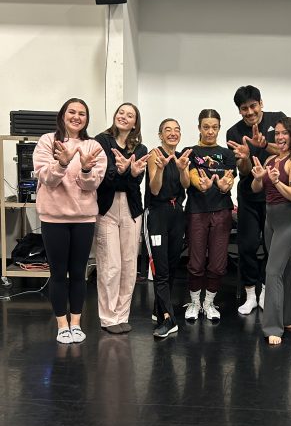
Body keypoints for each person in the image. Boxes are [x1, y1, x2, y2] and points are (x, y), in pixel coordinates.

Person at [33, 98, 107, 344]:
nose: (77, 117)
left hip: (84, 217)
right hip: (53, 218)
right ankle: (62, 324)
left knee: (78, 273)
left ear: (87, 119)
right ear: (63, 115)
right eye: (72, 112)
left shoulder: (93, 146)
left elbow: (92, 184)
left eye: (82, 113)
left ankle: (76, 323)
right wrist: (62, 162)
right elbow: (47, 179)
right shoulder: (47, 141)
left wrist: (86, 169)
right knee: (57, 273)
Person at [227, 85, 286, 315]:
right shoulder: (234, 132)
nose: (250, 112)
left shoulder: (278, 119)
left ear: (261, 103)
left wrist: (263, 145)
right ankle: (251, 293)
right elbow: (243, 170)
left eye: (253, 106)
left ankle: (269, 292)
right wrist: (243, 158)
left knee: (272, 247)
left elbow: (286, 150)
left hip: (276, 195)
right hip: (249, 196)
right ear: (239, 110)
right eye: (244, 109)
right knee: (248, 245)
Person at [251, 116, 291, 345]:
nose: (281, 137)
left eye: (285, 133)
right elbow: (256, 189)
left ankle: (274, 326)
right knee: (284, 271)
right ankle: (290, 318)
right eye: (278, 134)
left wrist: (276, 182)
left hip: (288, 222)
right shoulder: (272, 159)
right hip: (270, 220)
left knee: (272, 272)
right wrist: (258, 178)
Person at [95, 103, 149, 334]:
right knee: (110, 264)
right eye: (121, 113)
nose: (124, 117)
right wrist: (123, 173)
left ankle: (122, 315)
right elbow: (103, 179)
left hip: (132, 208)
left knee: (128, 264)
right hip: (106, 207)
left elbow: (135, 183)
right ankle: (108, 317)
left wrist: (129, 173)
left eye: (130, 115)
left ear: (135, 123)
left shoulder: (140, 147)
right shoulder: (101, 141)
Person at [184, 109, 236, 321]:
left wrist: (223, 187)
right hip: (197, 211)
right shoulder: (189, 152)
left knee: (217, 263)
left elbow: (230, 179)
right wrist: (201, 183)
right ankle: (195, 302)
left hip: (222, 212)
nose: (210, 131)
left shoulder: (227, 154)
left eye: (214, 127)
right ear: (199, 128)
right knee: (196, 262)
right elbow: (191, 178)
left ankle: (209, 303)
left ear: (219, 128)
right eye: (206, 126)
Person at [145, 119, 191, 338]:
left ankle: (160, 308)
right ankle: (168, 319)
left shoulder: (182, 156)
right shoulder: (156, 154)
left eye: (176, 130)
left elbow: (186, 185)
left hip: (176, 215)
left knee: (172, 265)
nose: (173, 133)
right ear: (160, 134)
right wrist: (161, 169)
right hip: (158, 214)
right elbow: (154, 189)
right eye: (167, 130)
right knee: (161, 269)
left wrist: (183, 169)